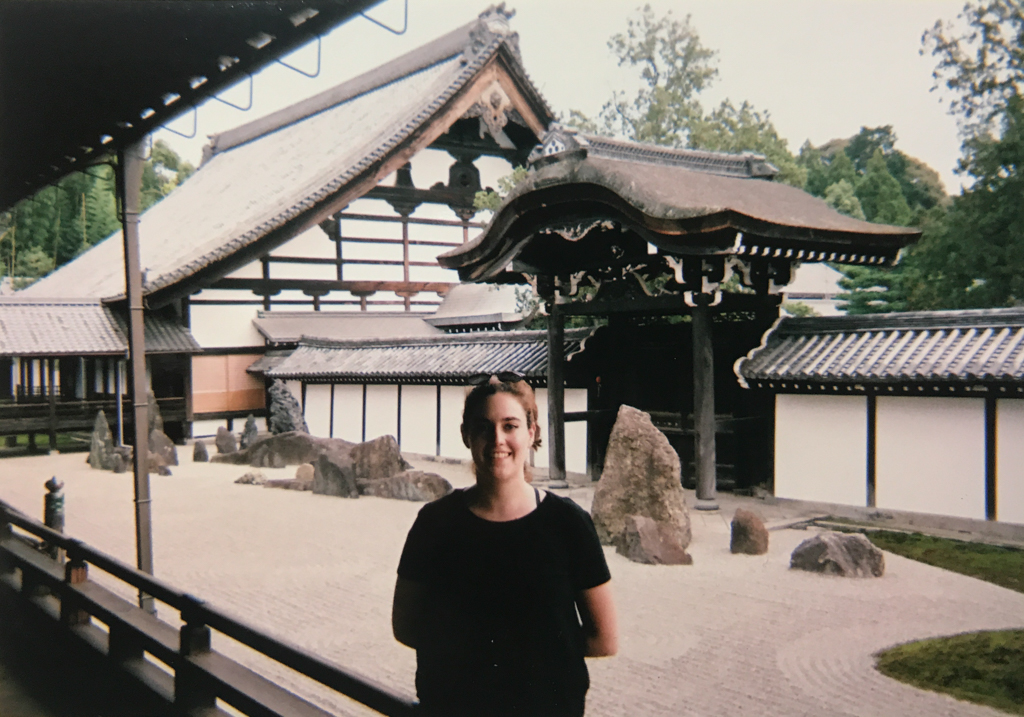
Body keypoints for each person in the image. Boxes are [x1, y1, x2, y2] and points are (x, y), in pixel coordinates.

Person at [392, 373, 618, 717]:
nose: (497, 439)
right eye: (483, 427)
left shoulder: (568, 524)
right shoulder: (435, 523)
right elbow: (405, 625)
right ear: (466, 435)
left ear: (531, 433)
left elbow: (605, 638)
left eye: (510, 425)